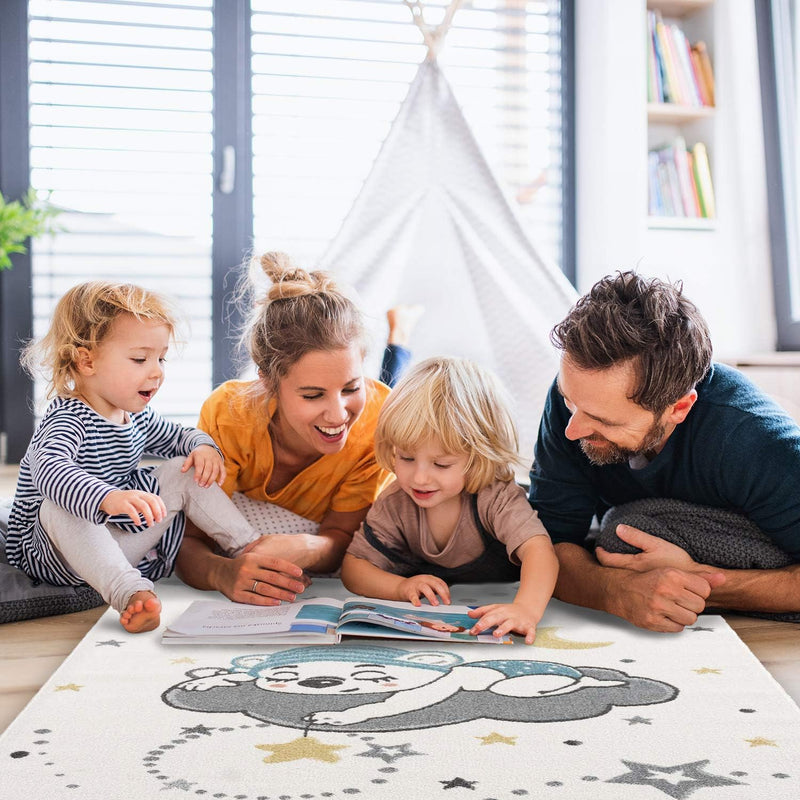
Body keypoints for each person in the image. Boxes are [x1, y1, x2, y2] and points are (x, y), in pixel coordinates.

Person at [528, 270, 800, 633]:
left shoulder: (754, 441)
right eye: (568, 400)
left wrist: (703, 584)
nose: (572, 429)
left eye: (603, 420)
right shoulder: (578, 399)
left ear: (679, 408)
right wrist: (614, 592)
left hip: (751, 544)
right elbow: (545, 546)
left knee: (622, 531)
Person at [5, 282, 264, 633]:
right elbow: (50, 471)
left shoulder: (135, 416)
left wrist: (203, 447)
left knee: (182, 469)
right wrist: (107, 497)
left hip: (114, 540)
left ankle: (250, 547)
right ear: (87, 360)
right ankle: (131, 592)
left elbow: (179, 436)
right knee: (57, 505)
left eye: (161, 358)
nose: (156, 371)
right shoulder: (68, 419)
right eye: (140, 359)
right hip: (54, 553)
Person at [174, 253, 417, 604]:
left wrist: (309, 546)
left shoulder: (376, 423)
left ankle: (401, 334)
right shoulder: (230, 415)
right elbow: (189, 539)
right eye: (313, 395)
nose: (337, 416)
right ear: (269, 383)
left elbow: (344, 539)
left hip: (389, 409)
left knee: (398, 383)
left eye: (351, 387)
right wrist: (220, 573)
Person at [341, 356, 559, 644]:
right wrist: (400, 587)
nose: (419, 478)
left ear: (478, 458)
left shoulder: (495, 495)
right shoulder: (396, 501)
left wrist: (525, 609)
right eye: (406, 458)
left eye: (441, 465)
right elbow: (354, 567)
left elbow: (541, 552)